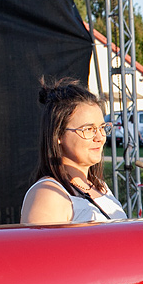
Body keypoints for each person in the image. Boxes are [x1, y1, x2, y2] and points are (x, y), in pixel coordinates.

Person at [22, 78, 126, 224]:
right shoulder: (48, 194)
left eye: (102, 128)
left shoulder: (99, 186)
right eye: (88, 129)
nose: (100, 137)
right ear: (58, 135)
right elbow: (38, 246)